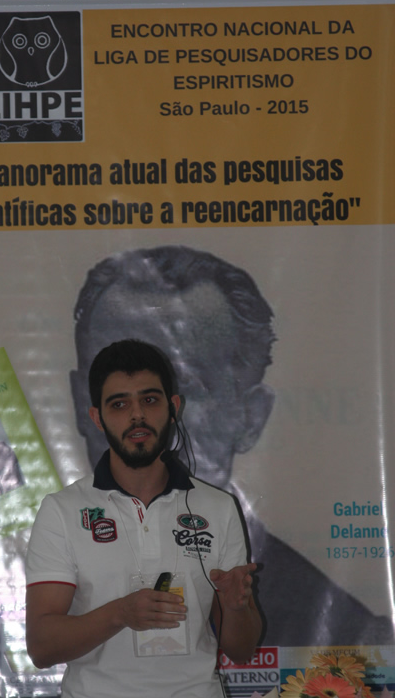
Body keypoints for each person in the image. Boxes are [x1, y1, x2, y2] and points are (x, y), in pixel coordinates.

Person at [70, 245, 395, 647]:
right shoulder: (40, 569)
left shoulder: (344, 636)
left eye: (184, 389)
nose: (143, 419)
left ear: (250, 417)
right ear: (82, 404)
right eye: (117, 393)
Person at [26, 339, 262, 698]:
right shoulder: (62, 511)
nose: (136, 415)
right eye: (119, 404)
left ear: (173, 407)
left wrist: (237, 606)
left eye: (150, 400)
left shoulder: (217, 507)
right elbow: (42, 646)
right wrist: (121, 613)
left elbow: (242, 649)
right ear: (97, 418)